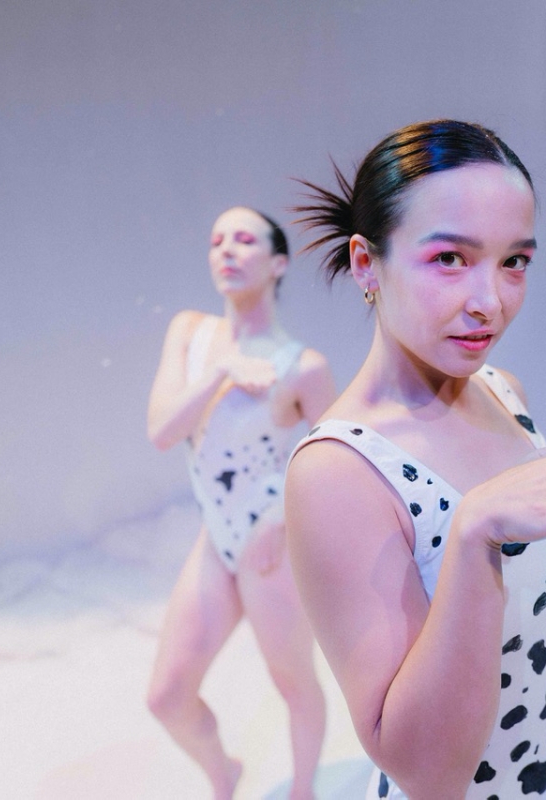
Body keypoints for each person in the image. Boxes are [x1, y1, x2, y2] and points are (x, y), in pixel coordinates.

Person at [284, 120, 546, 799]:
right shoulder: (339, 472)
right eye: (450, 259)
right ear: (366, 263)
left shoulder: (506, 394)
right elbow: (424, 770)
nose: (490, 302)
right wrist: (474, 536)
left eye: (515, 262)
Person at [145, 207, 334, 800]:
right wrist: (221, 372)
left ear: (278, 263)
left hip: (269, 550)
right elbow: (162, 430)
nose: (226, 249)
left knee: (293, 683)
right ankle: (222, 776)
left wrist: (285, 518)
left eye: (244, 239)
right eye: (216, 239)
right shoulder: (190, 333)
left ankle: (303, 793)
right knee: (167, 695)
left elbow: (342, 468)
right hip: (216, 539)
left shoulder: (303, 366)